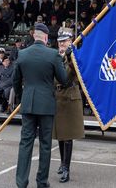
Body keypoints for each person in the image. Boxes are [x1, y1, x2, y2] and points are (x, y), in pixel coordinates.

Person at [13, 23, 67, 188]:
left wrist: (23, 98)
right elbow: (64, 80)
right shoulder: (53, 55)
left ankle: (21, 182)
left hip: (28, 103)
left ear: (34, 36)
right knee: (45, 144)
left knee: (25, 143)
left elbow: (16, 82)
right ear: (45, 37)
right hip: (46, 106)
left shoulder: (22, 54)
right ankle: (42, 182)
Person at [52, 27, 84, 183]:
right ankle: (62, 162)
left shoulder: (75, 56)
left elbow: (76, 74)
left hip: (70, 96)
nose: (61, 44)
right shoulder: (56, 56)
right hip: (57, 96)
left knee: (68, 136)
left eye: (64, 41)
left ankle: (67, 168)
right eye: (59, 41)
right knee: (59, 134)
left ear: (71, 41)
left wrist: (71, 59)